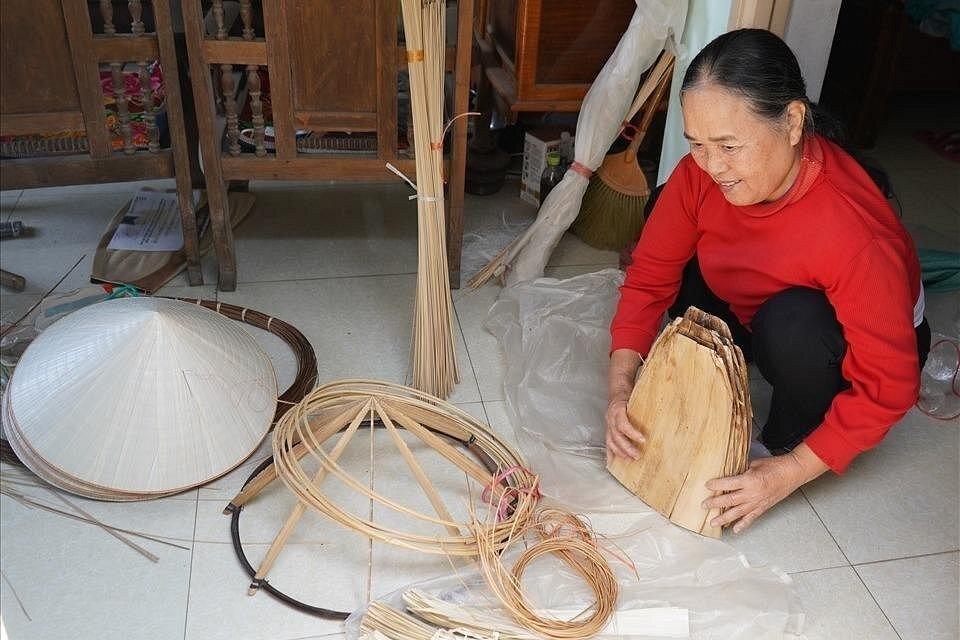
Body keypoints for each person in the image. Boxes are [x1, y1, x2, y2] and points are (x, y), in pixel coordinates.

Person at [605, 29, 931, 533]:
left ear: (793, 122)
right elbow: (650, 278)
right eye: (698, 145)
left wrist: (787, 472)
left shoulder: (853, 234)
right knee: (666, 205)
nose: (713, 166)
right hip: (758, 302)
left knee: (793, 323)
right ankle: (738, 358)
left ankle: (789, 434)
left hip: (842, 341)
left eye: (729, 146)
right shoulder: (702, 174)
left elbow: (890, 387)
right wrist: (620, 389)